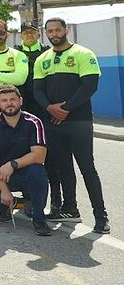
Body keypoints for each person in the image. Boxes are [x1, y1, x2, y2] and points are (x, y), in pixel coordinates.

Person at [33, 17, 109, 234]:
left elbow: (90, 86)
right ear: (46, 33)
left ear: (66, 30)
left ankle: (101, 216)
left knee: (87, 169)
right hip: (54, 122)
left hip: (79, 121)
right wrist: (50, 108)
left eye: (58, 30)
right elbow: (38, 90)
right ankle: (70, 209)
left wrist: (65, 109)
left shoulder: (83, 54)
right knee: (63, 168)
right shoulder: (42, 59)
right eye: (50, 31)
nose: (54, 34)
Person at [0, 85, 51, 236]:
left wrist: (13, 164)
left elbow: (39, 156)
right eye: (4, 100)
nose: (9, 103)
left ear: (21, 101)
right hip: (0, 172)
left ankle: (39, 218)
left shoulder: (34, 122)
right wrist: (4, 190)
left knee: (38, 172)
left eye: (13, 99)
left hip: (26, 171)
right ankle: (8, 205)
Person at [15, 21, 61, 214]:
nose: (29, 36)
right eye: (25, 33)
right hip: (22, 112)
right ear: (21, 35)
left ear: (38, 34)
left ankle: (56, 202)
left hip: (45, 112)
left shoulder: (48, 52)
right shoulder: (15, 53)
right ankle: (29, 200)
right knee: (25, 156)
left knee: (51, 159)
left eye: (32, 32)